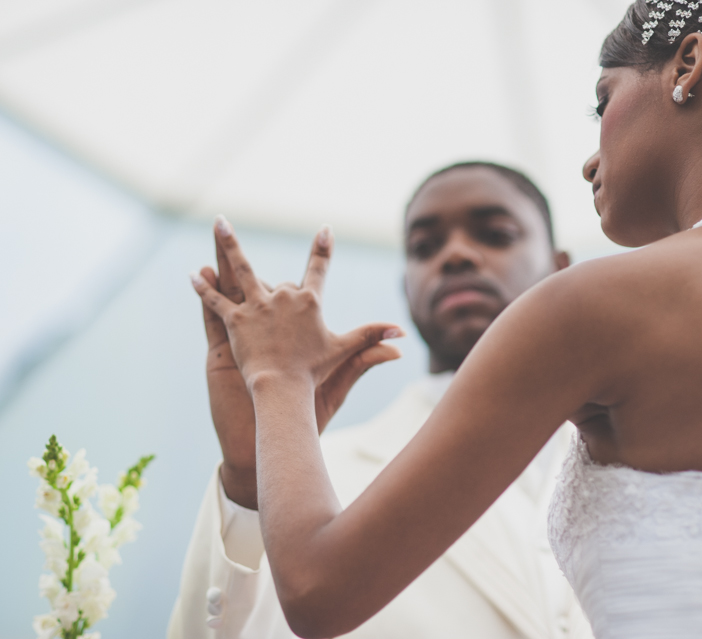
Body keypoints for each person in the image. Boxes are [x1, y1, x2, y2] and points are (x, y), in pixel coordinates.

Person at [190, 1, 702, 636]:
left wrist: (277, 374)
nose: (590, 159)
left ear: (687, 65)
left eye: (603, 102)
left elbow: (315, 589)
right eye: (425, 245)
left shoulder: (597, 303)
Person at [170, 162, 594, 639]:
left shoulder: (650, 444)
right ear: (405, 286)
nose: (454, 255)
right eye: (423, 248)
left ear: (560, 267)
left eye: (495, 234)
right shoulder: (311, 479)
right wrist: (251, 481)